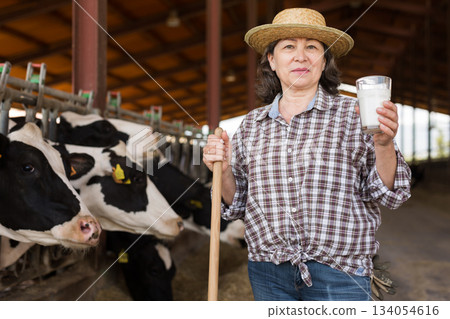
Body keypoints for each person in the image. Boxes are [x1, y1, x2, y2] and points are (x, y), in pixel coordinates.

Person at [202, 7, 411, 301]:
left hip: (340, 273)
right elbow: (234, 204)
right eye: (289, 47)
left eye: (312, 47)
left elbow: (390, 196)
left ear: (323, 61)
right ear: (272, 61)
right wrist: (222, 170)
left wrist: (384, 144)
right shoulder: (251, 125)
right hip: (268, 272)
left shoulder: (355, 115)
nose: (301, 56)